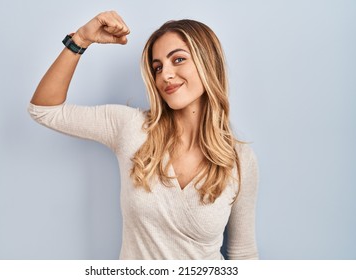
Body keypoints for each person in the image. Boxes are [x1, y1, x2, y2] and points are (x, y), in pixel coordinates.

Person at [29, 11, 259, 260]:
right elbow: (44, 110)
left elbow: (243, 253)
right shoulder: (131, 128)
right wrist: (81, 39)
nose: (165, 75)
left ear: (208, 62)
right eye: (157, 67)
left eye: (178, 60)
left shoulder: (239, 159)